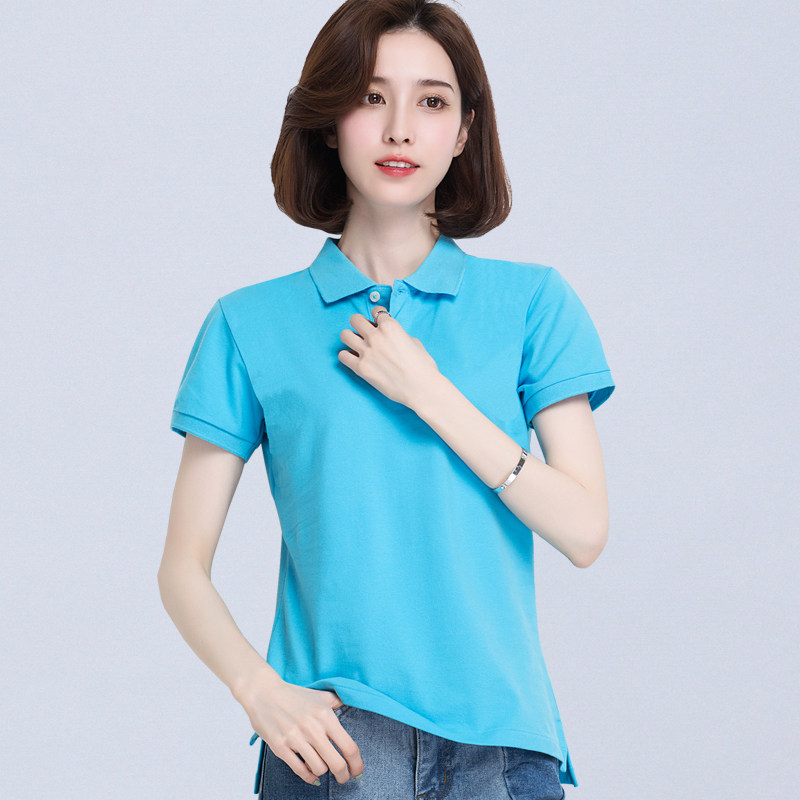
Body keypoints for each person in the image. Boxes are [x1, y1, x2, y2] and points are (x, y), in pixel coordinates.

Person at [158, 0, 615, 797]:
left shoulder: (534, 304)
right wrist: (260, 691)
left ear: (464, 131)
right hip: (335, 741)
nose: (400, 129)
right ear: (329, 122)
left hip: (502, 748)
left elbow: (584, 530)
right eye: (372, 97)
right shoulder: (248, 324)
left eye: (432, 101)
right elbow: (181, 566)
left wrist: (430, 394)